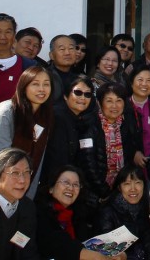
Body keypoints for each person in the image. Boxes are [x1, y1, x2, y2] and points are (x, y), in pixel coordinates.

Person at [0, 65, 54, 199]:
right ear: (24, 86)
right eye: (35, 84)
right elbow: (1, 157)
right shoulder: (6, 111)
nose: (42, 89)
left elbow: (38, 161)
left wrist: (28, 198)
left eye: (46, 84)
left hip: (24, 188)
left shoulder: (45, 116)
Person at [36, 166, 123, 260]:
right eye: (66, 182)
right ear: (51, 188)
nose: (71, 188)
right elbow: (54, 243)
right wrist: (86, 254)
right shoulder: (39, 213)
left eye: (76, 185)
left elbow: (90, 242)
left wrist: (117, 252)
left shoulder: (78, 215)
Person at [47, 75, 107, 208]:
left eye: (87, 94)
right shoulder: (58, 117)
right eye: (78, 92)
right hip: (54, 187)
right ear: (65, 96)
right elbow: (57, 158)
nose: (82, 98)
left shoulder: (81, 119)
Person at [96, 164, 150, 260]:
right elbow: (106, 250)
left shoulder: (147, 208)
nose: (133, 189)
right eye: (127, 184)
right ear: (119, 187)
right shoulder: (108, 212)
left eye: (138, 182)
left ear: (144, 185)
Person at [44, 35, 80, 103]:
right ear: (51, 55)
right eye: (62, 49)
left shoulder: (80, 77)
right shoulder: (45, 76)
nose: (67, 53)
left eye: (71, 48)